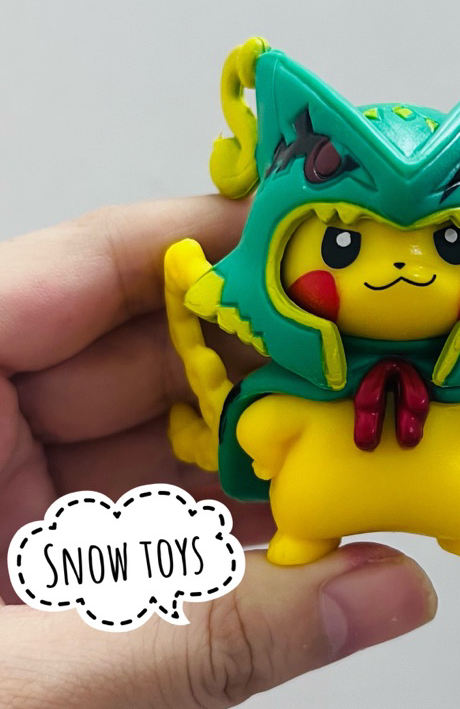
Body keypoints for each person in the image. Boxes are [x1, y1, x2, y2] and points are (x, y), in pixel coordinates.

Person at [0, 196, 437, 708]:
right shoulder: (289, 383)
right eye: (342, 247)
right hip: (305, 487)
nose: (400, 266)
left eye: (451, 245)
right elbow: (260, 429)